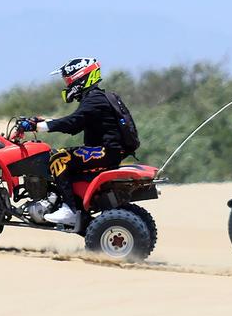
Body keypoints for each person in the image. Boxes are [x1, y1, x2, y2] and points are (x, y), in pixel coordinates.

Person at [17, 57, 140, 226]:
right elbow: (75, 123)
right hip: (110, 151)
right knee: (58, 155)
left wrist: (38, 127)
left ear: (80, 78)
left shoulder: (94, 99)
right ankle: (60, 199)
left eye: (68, 80)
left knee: (59, 158)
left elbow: (72, 123)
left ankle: (70, 210)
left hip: (106, 151)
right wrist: (40, 122)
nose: (67, 84)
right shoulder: (96, 97)